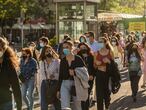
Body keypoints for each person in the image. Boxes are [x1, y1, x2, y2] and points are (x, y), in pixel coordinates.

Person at [57, 41, 86, 110]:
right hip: (65, 84)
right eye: (63, 47)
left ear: (71, 48)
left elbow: (85, 73)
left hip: (76, 84)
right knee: (64, 107)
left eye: (67, 47)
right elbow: (60, 76)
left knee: (78, 106)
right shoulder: (63, 61)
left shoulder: (78, 59)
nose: (65, 49)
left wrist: (75, 73)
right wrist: (58, 90)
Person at [0, 37, 22, 110]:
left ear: (4, 49)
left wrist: (19, 105)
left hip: (6, 102)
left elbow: (15, 84)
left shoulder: (8, 64)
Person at [94, 37, 114, 110]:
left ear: (105, 43)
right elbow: (94, 65)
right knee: (99, 95)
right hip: (99, 74)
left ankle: (107, 107)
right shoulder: (96, 53)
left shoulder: (110, 52)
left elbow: (114, 65)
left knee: (107, 93)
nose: (100, 43)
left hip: (108, 75)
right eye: (99, 42)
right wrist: (96, 63)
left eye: (101, 42)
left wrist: (109, 61)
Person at [39, 45, 61, 110]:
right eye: (46, 51)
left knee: (56, 101)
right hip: (45, 83)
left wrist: (54, 76)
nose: (48, 52)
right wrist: (49, 76)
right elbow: (42, 73)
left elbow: (59, 73)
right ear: (44, 53)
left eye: (50, 51)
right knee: (43, 102)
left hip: (55, 83)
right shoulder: (42, 62)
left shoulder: (57, 61)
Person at [77, 42, 95, 110]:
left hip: (90, 78)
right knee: (82, 95)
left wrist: (92, 75)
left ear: (87, 48)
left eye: (84, 47)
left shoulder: (91, 56)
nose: (83, 49)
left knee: (87, 94)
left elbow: (94, 67)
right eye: (81, 48)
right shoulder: (78, 57)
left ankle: (86, 108)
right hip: (81, 79)